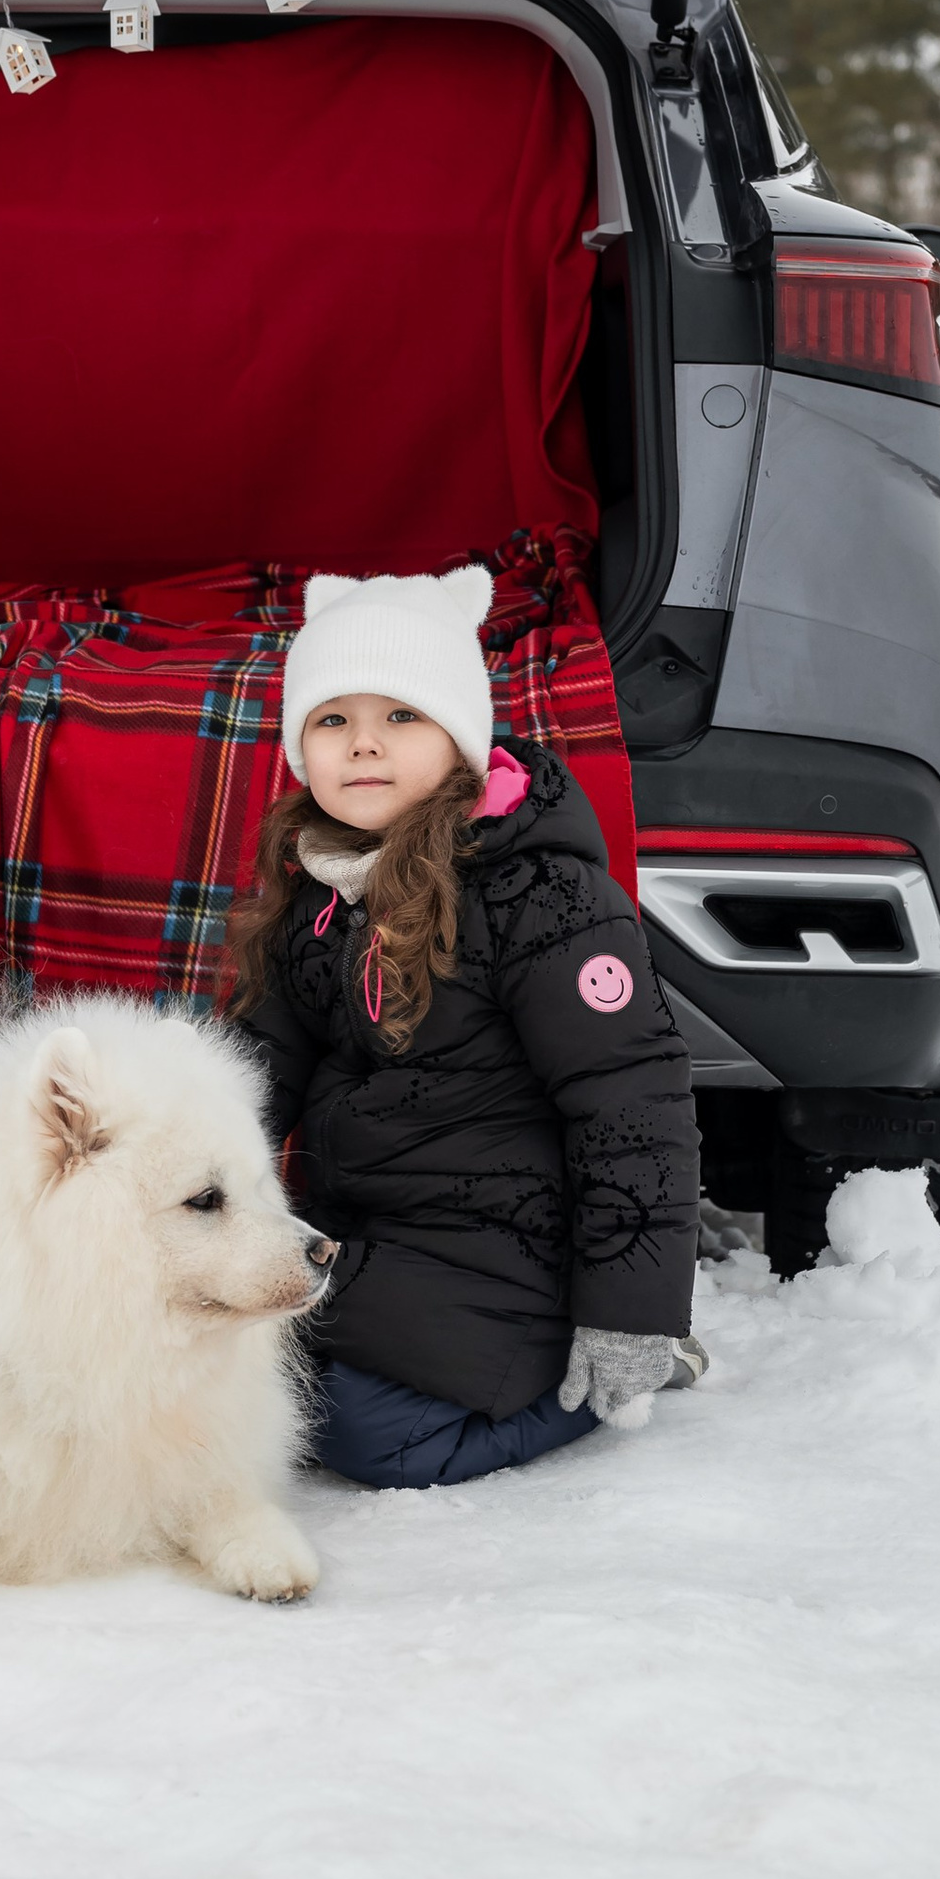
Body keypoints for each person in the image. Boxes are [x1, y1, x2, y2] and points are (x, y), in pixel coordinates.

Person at [223, 565, 702, 1490]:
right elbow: (253, 1072)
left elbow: (631, 1102)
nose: (363, 744)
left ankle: (601, 1383)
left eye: (401, 714)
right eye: (333, 719)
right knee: (254, 1373)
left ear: (462, 738)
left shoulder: (545, 895)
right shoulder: (317, 891)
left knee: (371, 1434)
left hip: (513, 1250)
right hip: (369, 1237)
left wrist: (632, 1311)